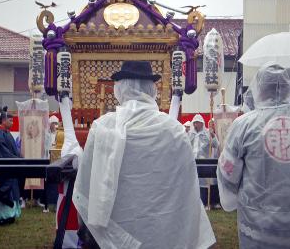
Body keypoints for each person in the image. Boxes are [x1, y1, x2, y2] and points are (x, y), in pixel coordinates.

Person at [72, 61, 216, 249]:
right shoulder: (174, 130)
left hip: (114, 227)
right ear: (152, 89)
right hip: (164, 230)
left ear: (119, 89)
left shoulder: (102, 127)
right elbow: (186, 188)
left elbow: (86, 184)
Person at [217, 64, 290, 248]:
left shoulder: (244, 124)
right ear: (287, 87)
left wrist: (232, 197)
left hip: (257, 226)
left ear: (258, 88)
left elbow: (229, 172)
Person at [0, 112, 21, 225]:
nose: (12, 122)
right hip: (3, 169)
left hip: (11, 167)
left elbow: (14, 150)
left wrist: (18, 157)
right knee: (4, 190)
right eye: (10, 120)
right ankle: (0, 217)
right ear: (3, 121)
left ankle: (11, 215)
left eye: (12, 120)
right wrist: (16, 159)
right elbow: (3, 152)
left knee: (13, 189)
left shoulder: (7, 133)